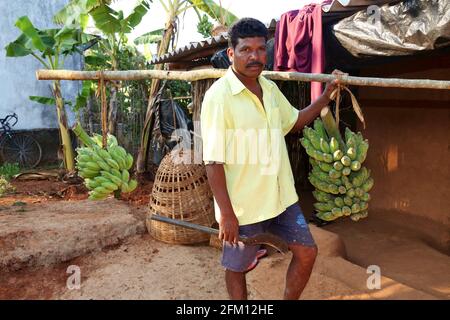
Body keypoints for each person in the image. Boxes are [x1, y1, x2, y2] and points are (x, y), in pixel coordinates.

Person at [200, 17, 345, 300]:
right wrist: (227, 214)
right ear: (231, 54)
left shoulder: (269, 88)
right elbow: (213, 162)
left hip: (281, 199)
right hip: (244, 206)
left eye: (259, 49)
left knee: (307, 252)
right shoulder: (219, 98)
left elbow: (295, 121)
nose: (254, 56)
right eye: (245, 50)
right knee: (237, 268)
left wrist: (326, 95)